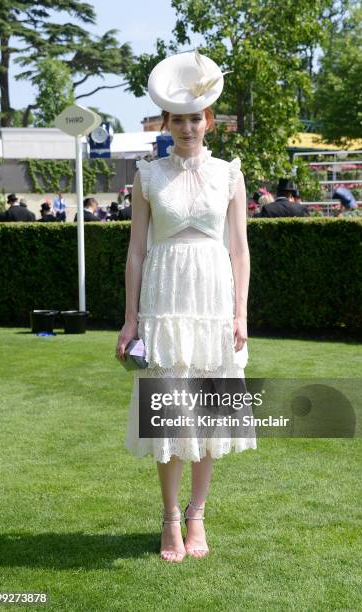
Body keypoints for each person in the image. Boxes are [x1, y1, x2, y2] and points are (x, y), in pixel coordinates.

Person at [116, 50, 256, 564]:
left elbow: (239, 248)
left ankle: (198, 514)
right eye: (178, 119)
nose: (187, 127)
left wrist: (241, 314)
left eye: (195, 118)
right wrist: (131, 320)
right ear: (165, 123)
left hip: (215, 301)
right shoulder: (147, 176)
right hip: (165, 299)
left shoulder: (229, 174)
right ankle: (170, 517)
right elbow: (136, 251)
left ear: (209, 121)